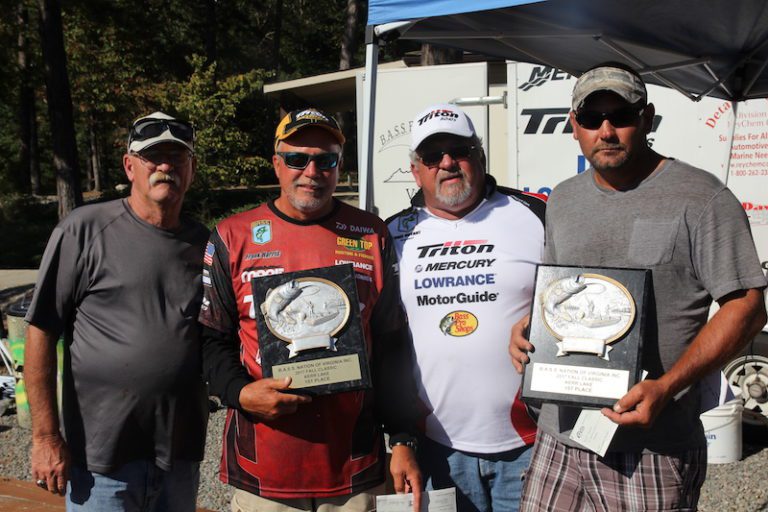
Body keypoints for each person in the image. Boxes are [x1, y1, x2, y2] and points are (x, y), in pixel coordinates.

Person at [509, 63, 768, 511]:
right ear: (574, 126)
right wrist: (530, 325)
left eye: (621, 116)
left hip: (653, 447)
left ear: (646, 119)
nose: (606, 130)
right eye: (592, 119)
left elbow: (747, 304)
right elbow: (564, 293)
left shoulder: (702, 198)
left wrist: (667, 387)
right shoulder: (564, 199)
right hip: (560, 436)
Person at [199, 107, 422, 512]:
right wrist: (240, 393)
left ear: (339, 166)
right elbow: (211, 338)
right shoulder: (233, 236)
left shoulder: (371, 233)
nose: (311, 170)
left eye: (326, 159)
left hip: (353, 467)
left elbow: (391, 345)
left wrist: (403, 438)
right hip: (265, 469)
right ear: (277, 164)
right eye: (297, 158)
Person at [24, 112, 210, 511]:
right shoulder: (84, 230)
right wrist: (45, 437)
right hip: (101, 464)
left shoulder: (206, 244)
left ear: (191, 169)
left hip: (179, 458)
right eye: (152, 157)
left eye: (177, 158)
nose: (165, 167)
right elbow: (40, 331)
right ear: (130, 166)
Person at [386, 103, 545, 512]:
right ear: (415, 170)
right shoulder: (390, 235)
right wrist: (400, 439)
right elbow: (383, 343)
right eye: (431, 155)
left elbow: (580, 297)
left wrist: (543, 319)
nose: (447, 162)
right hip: (436, 447)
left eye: (459, 149)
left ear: (480, 155)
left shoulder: (536, 215)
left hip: (532, 441)